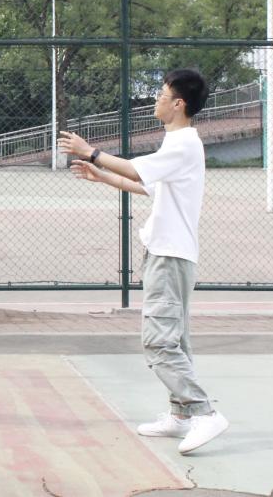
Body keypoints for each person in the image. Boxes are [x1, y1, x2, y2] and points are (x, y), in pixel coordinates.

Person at [59, 69, 228, 456]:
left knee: (158, 341)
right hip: (169, 254)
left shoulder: (183, 144)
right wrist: (102, 176)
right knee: (175, 341)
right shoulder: (178, 143)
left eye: (161, 94)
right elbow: (145, 184)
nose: (156, 99)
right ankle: (181, 415)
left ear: (178, 104)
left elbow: (137, 169)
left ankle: (204, 412)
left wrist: (90, 152)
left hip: (170, 257)